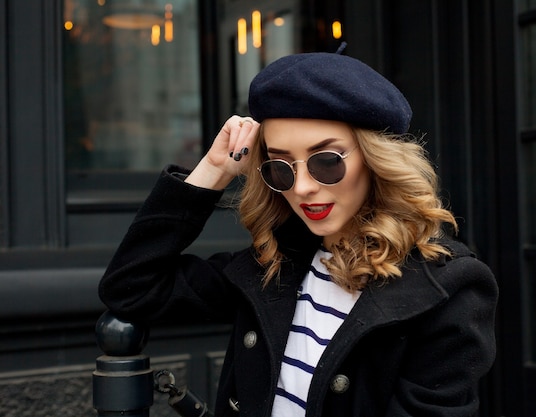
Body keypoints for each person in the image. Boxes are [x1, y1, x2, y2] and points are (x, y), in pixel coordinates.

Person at [99, 47, 498, 417]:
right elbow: (132, 287)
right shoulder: (274, 265)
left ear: (378, 160)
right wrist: (214, 170)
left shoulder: (449, 286)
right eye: (281, 167)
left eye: (325, 161)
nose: (303, 186)